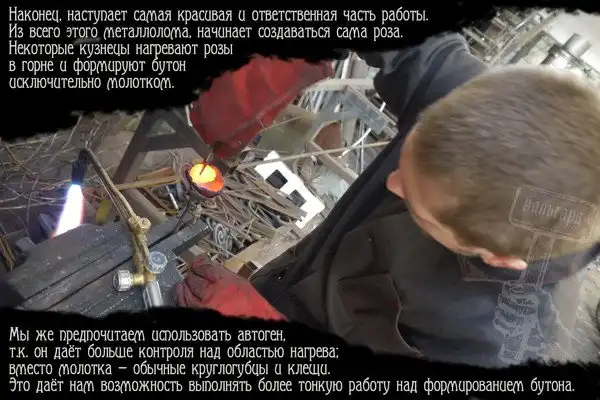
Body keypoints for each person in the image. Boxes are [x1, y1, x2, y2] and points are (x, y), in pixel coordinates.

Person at [176, 33, 600, 367]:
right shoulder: (472, 106)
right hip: (279, 285)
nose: (392, 183)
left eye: (418, 207)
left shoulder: (502, 344)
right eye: (407, 155)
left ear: (498, 258)